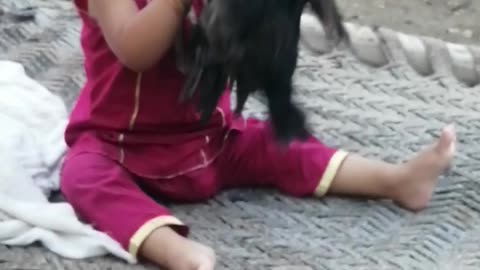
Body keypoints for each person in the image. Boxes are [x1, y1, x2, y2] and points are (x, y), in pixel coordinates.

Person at [61, 0, 457, 269]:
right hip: (120, 148)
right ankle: (170, 247)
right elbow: (135, 50)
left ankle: (397, 180)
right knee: (81, 176)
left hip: (209, 143)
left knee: (280, 144)